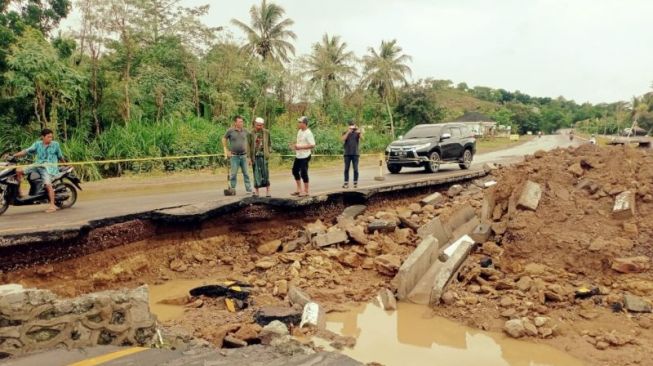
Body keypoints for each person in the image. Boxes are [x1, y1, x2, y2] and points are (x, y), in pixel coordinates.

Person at [9, 128, 65, 213]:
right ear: (43, 137)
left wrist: (65, 164)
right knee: (18, 171)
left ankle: (53, 205)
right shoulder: (37, 144)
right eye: (48, 137)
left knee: (47, 184)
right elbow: (26, 151)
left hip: (48, 168)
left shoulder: (55, 145)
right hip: (37, 165)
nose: (50, 139)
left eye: (51, 137)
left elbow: (60, 156)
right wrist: (14, 155)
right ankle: (20, 192)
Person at [222, 115, 252, 195]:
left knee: (246, 173)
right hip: (234, 156)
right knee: (233, 174)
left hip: (244, 156)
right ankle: (232, 189)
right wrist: (226, 150)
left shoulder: (245, 131)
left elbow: (252, 138)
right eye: (240, 122)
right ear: (235, 123)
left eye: (242, 121)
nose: (241, 123)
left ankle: (249, 189)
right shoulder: (230, 131)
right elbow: (224, 139)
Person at [290, 116, 315, 197]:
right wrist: (295, 146)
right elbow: (300, 142)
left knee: (303, 172)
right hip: (299, 155)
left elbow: (312, 145)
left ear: (304, 123)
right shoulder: (299, 131)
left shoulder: (308, 133)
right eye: (299, 122)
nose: (298, 124)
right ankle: (299, 189)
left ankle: (306, 191)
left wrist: (300, 147)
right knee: (294, 171)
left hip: (305, 155)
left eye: (300, 122)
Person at [248, 117, 272, 197]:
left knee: (265, 173)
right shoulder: (251, 133)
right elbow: (248, 145)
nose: (259, 127)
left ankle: (268, 191)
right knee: (256, 174)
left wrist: (269, 152)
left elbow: (269, 143)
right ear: (255, 124)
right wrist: (249, 158)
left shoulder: (266, 132)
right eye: (258, 125)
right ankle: (257, 192)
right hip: (255, 157)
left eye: (261, 125)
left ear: (263, 125)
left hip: (264, 156)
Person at [341, 120, 363, 189]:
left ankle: (355, 183)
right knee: (346, 169)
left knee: (355, 169)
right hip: (347, 153)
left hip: (355, 154)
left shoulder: (357, 132)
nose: (352, 127)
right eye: (350, 125)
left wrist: (359, 132)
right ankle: (346, 183)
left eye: (353, 125)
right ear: (348, 126)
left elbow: (363, 138)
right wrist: (348, 132)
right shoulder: (345, 132)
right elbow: (342, 139)